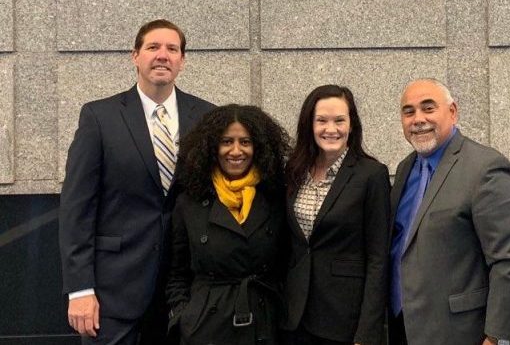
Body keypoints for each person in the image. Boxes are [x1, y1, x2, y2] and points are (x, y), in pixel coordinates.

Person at [59, 19, 216, 344]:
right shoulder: (99, 117)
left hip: (181, 291)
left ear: (182, 60)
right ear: (135, 55)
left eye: (172, 49)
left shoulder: (206, 117)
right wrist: (80, 289)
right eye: (153, 47)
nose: (163, 55)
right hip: (112, 293)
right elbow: (77, 209)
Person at [388, 78, 510, 345]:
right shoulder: (406, 168)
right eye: (409, 112)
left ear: (452, 112)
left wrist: (497, 338)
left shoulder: (486, 168)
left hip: (463, 333)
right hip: (405, 328)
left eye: (428, 108)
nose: (418, 118)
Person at [166, 104, 291, 345]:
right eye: (226, 142)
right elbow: (176, 272)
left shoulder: (276, 196)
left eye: (245, 142)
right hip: (206, 325)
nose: (236, 150)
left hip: (263, 321)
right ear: (211, 147)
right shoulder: (189, 202)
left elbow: (287, 262)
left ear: (259, 147)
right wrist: (182, 315)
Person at [281, 84, 391, 345]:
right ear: (310, 124)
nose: (331, 129)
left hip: (344, 320)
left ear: (351, 124)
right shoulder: (294, 171)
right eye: (322, 121)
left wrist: (367, 331)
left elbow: (378, 258)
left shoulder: (371, 175)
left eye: (339, 120)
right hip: (294, 316)